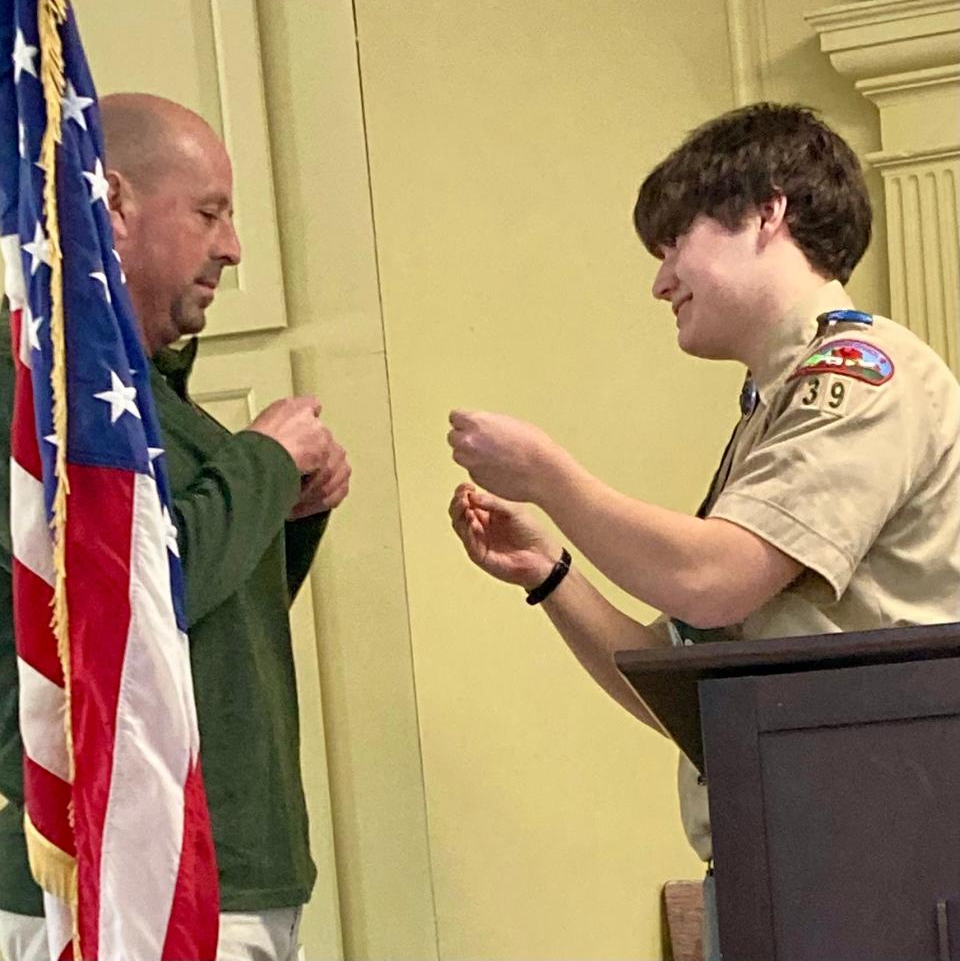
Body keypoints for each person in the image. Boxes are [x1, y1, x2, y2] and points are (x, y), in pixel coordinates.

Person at [446, 102, 960, 959]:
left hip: (871, 853)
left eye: (674, 242)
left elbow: (715, 580)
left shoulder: (865, 375)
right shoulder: (772, 410)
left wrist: (550, 476)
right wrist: (550, 573)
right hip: (791, 848)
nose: (660, 281)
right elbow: (699, 700)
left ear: (768, 210)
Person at [0, 93, 350, 961]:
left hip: (225, 872)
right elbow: (116, 604)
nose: (232, 247)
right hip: (130, 882)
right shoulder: (53, 398)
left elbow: (200, 625)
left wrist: (289, 513)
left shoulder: (154, 404)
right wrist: (263, 462)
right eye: (209, 212)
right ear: (112, 203)